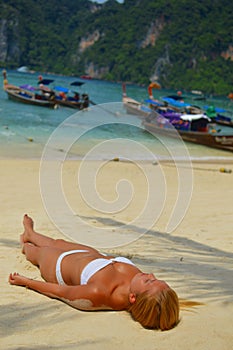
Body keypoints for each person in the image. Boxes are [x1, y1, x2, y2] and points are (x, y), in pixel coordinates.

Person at [9, 214, 180, 331]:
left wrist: (26, 282)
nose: (150, 275)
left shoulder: (100, 293)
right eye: (155, 278)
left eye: (149, 281)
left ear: (133, 298)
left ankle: (25, 242)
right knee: (55, 242)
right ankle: (30, 233)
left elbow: (60, 292)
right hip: (92, 256)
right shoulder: (138, 283)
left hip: (58, 266)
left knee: (35, 252)